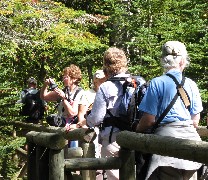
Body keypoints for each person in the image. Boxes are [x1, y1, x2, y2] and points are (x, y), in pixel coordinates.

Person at [136, 41, 203, 180]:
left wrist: (136, 131)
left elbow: (148, 120)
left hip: (166, 145)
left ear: (163, 60)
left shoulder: (156, 83)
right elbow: (195, 121)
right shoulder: (191, 84)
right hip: (192, 145)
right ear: (183, 61)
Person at [87, 47, 130, 180]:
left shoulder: (106, 86)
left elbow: (96, 118)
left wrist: (87, 119)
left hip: (113, 139)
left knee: (114, 177)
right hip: (134, 137)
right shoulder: (136, 83)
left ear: (106, 65)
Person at [40, 64, 84, 147]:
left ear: (74, 79)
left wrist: (63, 99)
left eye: (66, 77)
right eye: (63, 76)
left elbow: (73, 113)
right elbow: (43, 97)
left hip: (73, 130)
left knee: (72, 155)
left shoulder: (80, 93)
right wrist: (45, 85)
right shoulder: (63, 91)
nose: (63, 78)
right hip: (61, 129)